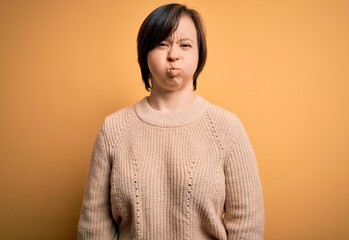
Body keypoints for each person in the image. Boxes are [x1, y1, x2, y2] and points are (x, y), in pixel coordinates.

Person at [78, 3, 264, 240]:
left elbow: (247, 226)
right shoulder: (113, 130)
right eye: (162, 44)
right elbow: (94, 227)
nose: (173, 55)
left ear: (200, 55)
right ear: (144, 55)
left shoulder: (227, 129)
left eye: (185, 45)